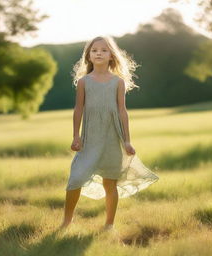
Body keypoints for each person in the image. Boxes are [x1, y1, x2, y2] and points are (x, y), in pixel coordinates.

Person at [60, 35, 159, 231]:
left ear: (111, 56)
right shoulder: (83, 82)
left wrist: (127, 141)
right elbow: (78, 109)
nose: (99, 53)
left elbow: (122, 111)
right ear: (88, 55)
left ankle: (109, 225)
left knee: (110, 183)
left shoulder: (118, 82)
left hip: (112, 138)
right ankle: (66, 221)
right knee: (76, 178)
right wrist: (76, 136)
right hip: (90, 138)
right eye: (94, 50)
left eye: (104, 50)